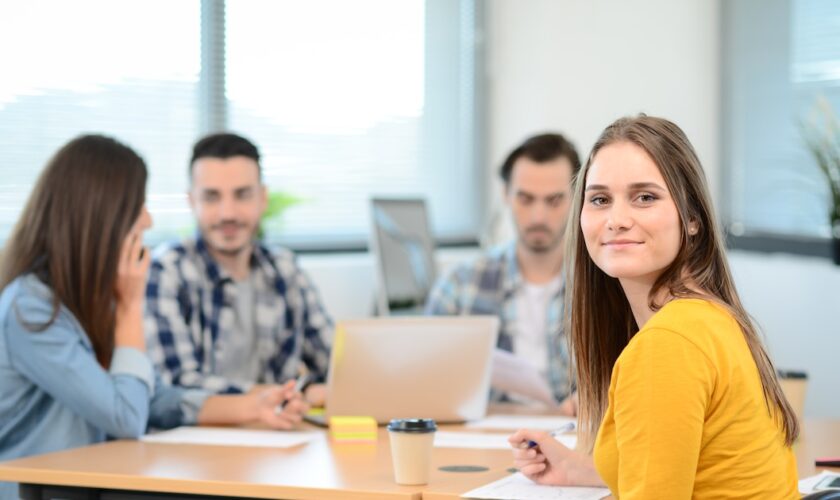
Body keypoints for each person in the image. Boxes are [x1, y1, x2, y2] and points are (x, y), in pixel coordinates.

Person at [0, 135, 308, 500]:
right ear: (99, 214)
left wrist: (250, 406)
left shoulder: (89, 297)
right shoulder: (29, 309)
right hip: (37, 490)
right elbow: (126, 415)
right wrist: (130, 306)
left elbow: (155, 398)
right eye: (137, 205)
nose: (147, 219)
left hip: (92, 482)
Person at [508, 116, 799, 498]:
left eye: (644, 197)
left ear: (692, 219)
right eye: (599, 199)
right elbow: (692, 467)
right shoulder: (708, 317)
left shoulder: (667, 345)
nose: (616, 220)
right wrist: (579, 467)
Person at [144, 133, 331, 404]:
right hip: (196, 440)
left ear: (262, 198)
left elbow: (336, 364)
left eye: (242, 195)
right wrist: (293, 395)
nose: (227, 213)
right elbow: (178, 385)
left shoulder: (284, 270)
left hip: (279, 435)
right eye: (211, 197)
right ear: (191, 201)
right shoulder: (166, 272)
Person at [426, 133, 580, 409]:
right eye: (525, 199)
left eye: (554, 200)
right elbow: (423, 376)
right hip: (487, 437)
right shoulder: (460, 284)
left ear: (577, 197)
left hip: (573, 436)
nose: (538, 217)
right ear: (506, 195)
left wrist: (597, 399)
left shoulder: (607, 285)